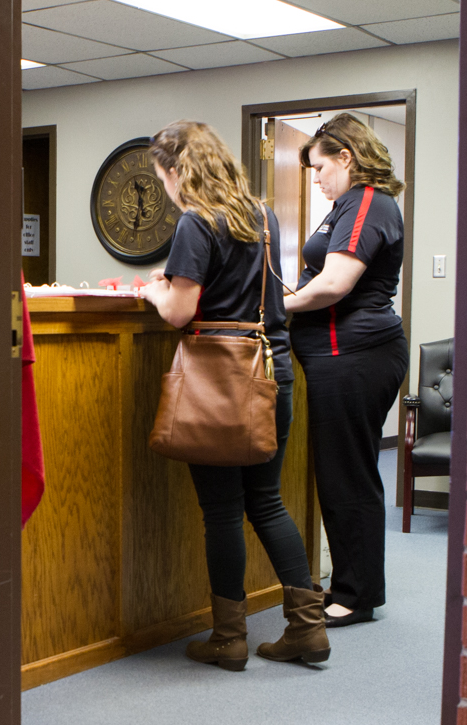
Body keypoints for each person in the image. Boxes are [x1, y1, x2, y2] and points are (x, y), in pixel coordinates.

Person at [140, 121, 328, 670]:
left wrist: (156, 290)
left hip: (218, 379)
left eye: (163, 179)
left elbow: (178, 310)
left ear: (177, 171)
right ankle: (307, 629)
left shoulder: (196, 221)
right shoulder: (261, 216)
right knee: (266, 501)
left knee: (222, 511)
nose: (168, 190)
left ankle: (229, 638)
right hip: (272, 370)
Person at [287, 113, 409, 628]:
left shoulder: (367, 202)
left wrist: (275, 305)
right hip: (338, 355)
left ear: (346, 158)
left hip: (355, 355)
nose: (315, 179)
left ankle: (356, 596)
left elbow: (335, 284)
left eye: (320, 168)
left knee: (349, 477)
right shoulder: (343, 207)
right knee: (342, 474)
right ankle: (351, 586)